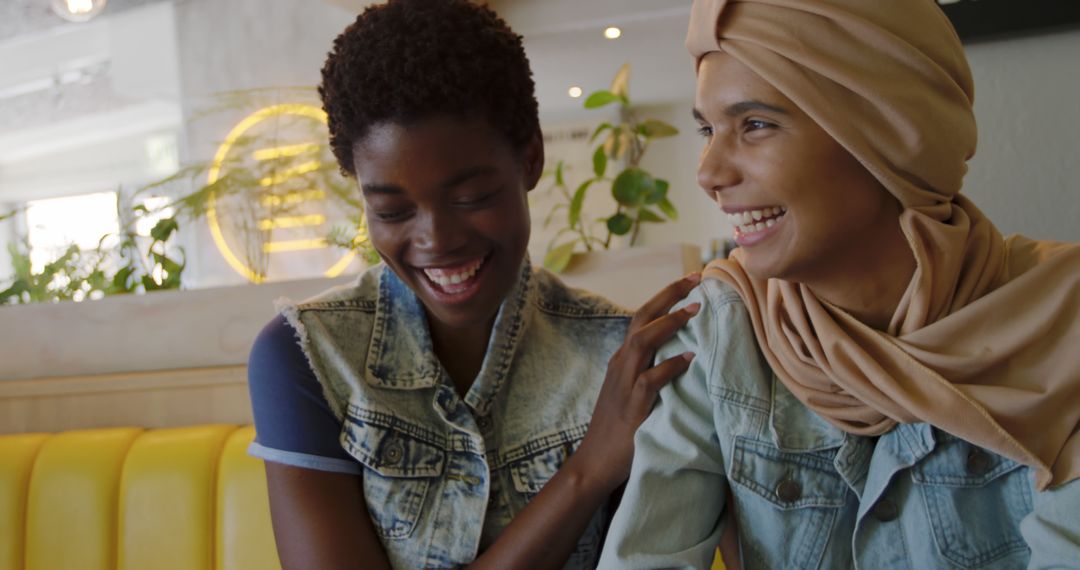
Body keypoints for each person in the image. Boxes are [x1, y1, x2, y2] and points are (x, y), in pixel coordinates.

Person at [599, 0, 1080, 568]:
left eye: (755, 124)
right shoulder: (719, 328)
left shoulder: (1063, 317)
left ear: (887, 137)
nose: (708, 173)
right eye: (708, 128)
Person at [245, 1, 701, 568]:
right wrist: (586, 472)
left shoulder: (617, 358)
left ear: (530, 160)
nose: (436, 239)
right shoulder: (308, 357)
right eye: (391, 209)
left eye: (471, 198)